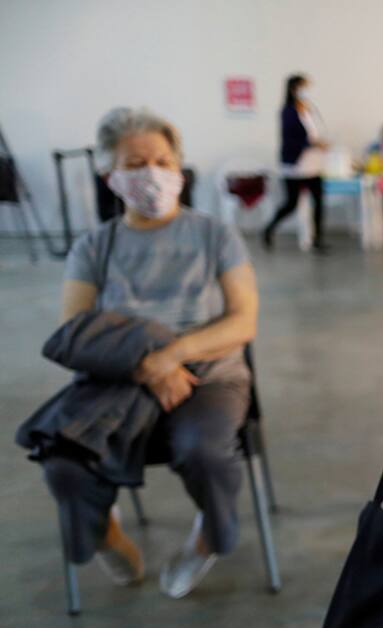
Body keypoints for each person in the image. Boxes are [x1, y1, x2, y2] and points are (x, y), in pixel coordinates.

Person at [35, 107, 259, 599]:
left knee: (203, 450)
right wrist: (146, 365)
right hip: (117, 378)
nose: (151, 173)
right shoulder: (94, 247)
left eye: (161, 160)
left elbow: (243, 320)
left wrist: (171, 355)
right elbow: (73, 331)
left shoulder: (214, 234)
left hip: (208, 376)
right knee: (64, 464)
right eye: (134, 164)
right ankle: (106, 534)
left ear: (178, 167)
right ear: (109, 174)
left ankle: (207, 539)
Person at [263, 73, 329, 252]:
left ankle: (317, 240)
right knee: (291, 204)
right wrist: (313, 143)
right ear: (294, 89)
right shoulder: (287, 111)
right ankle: (269, 229)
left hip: (313, 162)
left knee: (319, 200)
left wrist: (321, 143)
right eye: (304, 87)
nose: (308, 91)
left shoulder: (309, 110)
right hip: (295, 163)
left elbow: (314, 133)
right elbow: (290, 139)